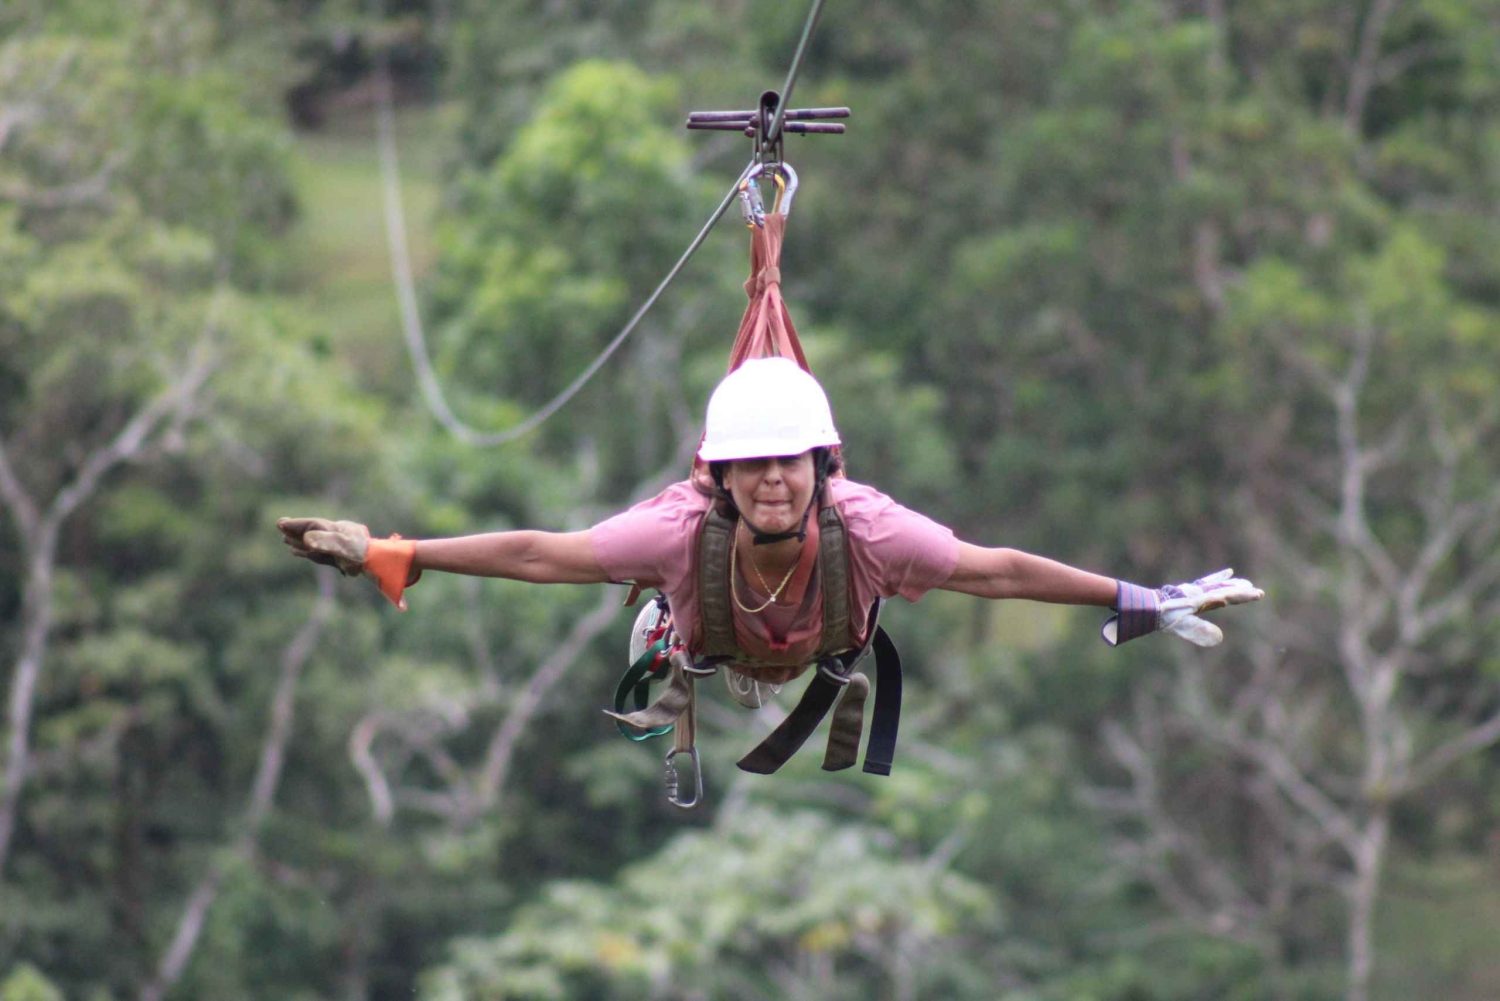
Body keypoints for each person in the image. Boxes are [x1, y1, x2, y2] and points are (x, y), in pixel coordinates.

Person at [278, 357, 1263, 659]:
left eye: (786, 465)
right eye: (750, 469)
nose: (772, 483)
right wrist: (395, 551)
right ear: (717, 476)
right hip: (714, 639)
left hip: (824, 643)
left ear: (822, 464)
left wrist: (1139, 593)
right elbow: (545, 552)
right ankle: (665, 623)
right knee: (660, 586)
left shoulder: (871, 530)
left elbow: (995, 567)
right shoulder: (678, 525)